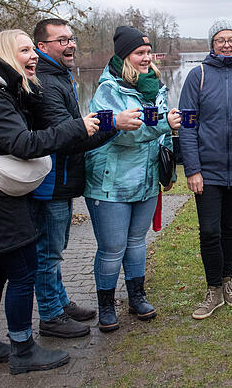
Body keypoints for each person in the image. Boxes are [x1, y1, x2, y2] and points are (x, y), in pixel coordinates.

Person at [0, 30, 100, 374]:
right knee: (23, 271)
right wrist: (78, 127)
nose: (34, 56)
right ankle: (23, 349)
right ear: (5, 54)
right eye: (25, 50)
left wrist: (29, 86)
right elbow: (24, 144)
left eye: (33, 49)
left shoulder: (2, 89)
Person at [29, 18, 143, 339]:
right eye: (62, 40)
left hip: (62, 180)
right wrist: (114, 124)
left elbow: (76, 127)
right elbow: (69, 137)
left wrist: (104, 125)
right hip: (50, 181)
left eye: (71, 38)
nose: (71, 45)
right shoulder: (46, 83)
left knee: (57, 247)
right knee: (48, 252)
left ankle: (60, 302)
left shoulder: (60, 76)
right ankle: (50, 316)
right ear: (42, 47)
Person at [84, 26, 181, 332]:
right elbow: (124, 135)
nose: (146, 58)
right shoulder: (108, 90)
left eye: (148, 52)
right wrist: (164, 124)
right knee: (112, 248)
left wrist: (167, 170)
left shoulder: (155, 87)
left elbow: (163, 137)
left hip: (146, 181)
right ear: (125, 56)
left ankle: (137, 297)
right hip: (110, 183)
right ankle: (106, 305)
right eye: (139, 53)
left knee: (137, 242)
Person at [178, 18, 232, 320]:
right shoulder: (197, 75)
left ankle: (227, 282)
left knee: (230, 227)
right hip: (207, 168)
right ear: (212, 45)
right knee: (210, 230)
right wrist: (192, 169)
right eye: (220, 40)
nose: (227, 44)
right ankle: (213, 289)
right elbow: (187, 125)